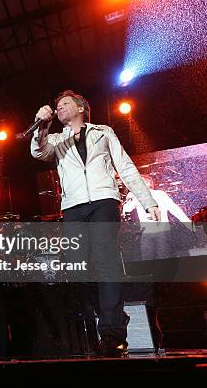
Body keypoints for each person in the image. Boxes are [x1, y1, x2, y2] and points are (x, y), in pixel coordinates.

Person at [30, 90, 160, 357]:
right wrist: (41, 126)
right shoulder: (56, 138)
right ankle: (113, 316)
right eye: (57, 106)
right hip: (73, 208)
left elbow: (124, 166)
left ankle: (112, 333)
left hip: (103, 202)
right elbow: (38, 152)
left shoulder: (103, 131)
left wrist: (148, 201)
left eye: (65, 104)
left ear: (80, 108)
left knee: (106, 263)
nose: (59, 108)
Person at [123, 174, 194, 260]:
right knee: (148, 258)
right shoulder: (137, 197)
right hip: (146, 233)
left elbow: (174, 209)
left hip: (162, 231)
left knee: (162, 257)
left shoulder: (160, 194)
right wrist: (129, 197)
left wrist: (189, 224)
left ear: (147, 183)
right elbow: (126, 210)